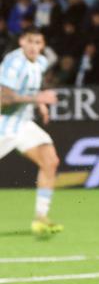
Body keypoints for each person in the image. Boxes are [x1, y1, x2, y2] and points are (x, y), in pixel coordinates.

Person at [0, 26, 61, 236]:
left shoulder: (40, 62)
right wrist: (38, 99)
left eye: (38, 43)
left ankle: (41, 218)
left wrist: (40, 104)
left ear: (43, 45)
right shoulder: (13, 62)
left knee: (50, 161)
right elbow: (4, 98)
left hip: (21, 123)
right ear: (21, 42)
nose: (34, 47)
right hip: (3, 122)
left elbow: (31, 88)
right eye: (30, 42)